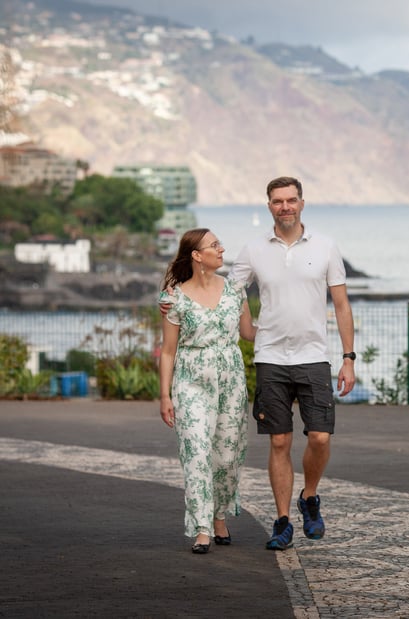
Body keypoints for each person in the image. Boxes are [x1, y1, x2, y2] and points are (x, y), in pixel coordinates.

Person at [229, 175, 356, 550]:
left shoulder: (326, 246)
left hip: (314, 357)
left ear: (302, 203)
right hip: (270, 357)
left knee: (319, 436)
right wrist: (246, 327)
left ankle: (310, 497)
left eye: (291, 200)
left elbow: (342, 305)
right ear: (268, 205)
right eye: (277, 201)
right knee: (279, 441)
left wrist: (348, 359)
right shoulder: (253, 249)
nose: (285, 206)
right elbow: (230, 292)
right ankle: (283, 521)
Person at [158, 228, 256, 554]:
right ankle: (201, 527)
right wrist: (165, 395)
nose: (221, 248)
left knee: (227, 457)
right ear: (197, 256)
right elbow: (168, 351)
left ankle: (219, 514)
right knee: (197, 452)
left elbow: (249, 334)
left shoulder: (235, 292)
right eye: (214, 245)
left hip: (230, 382)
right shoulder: (174, 298)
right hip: (191, 383)